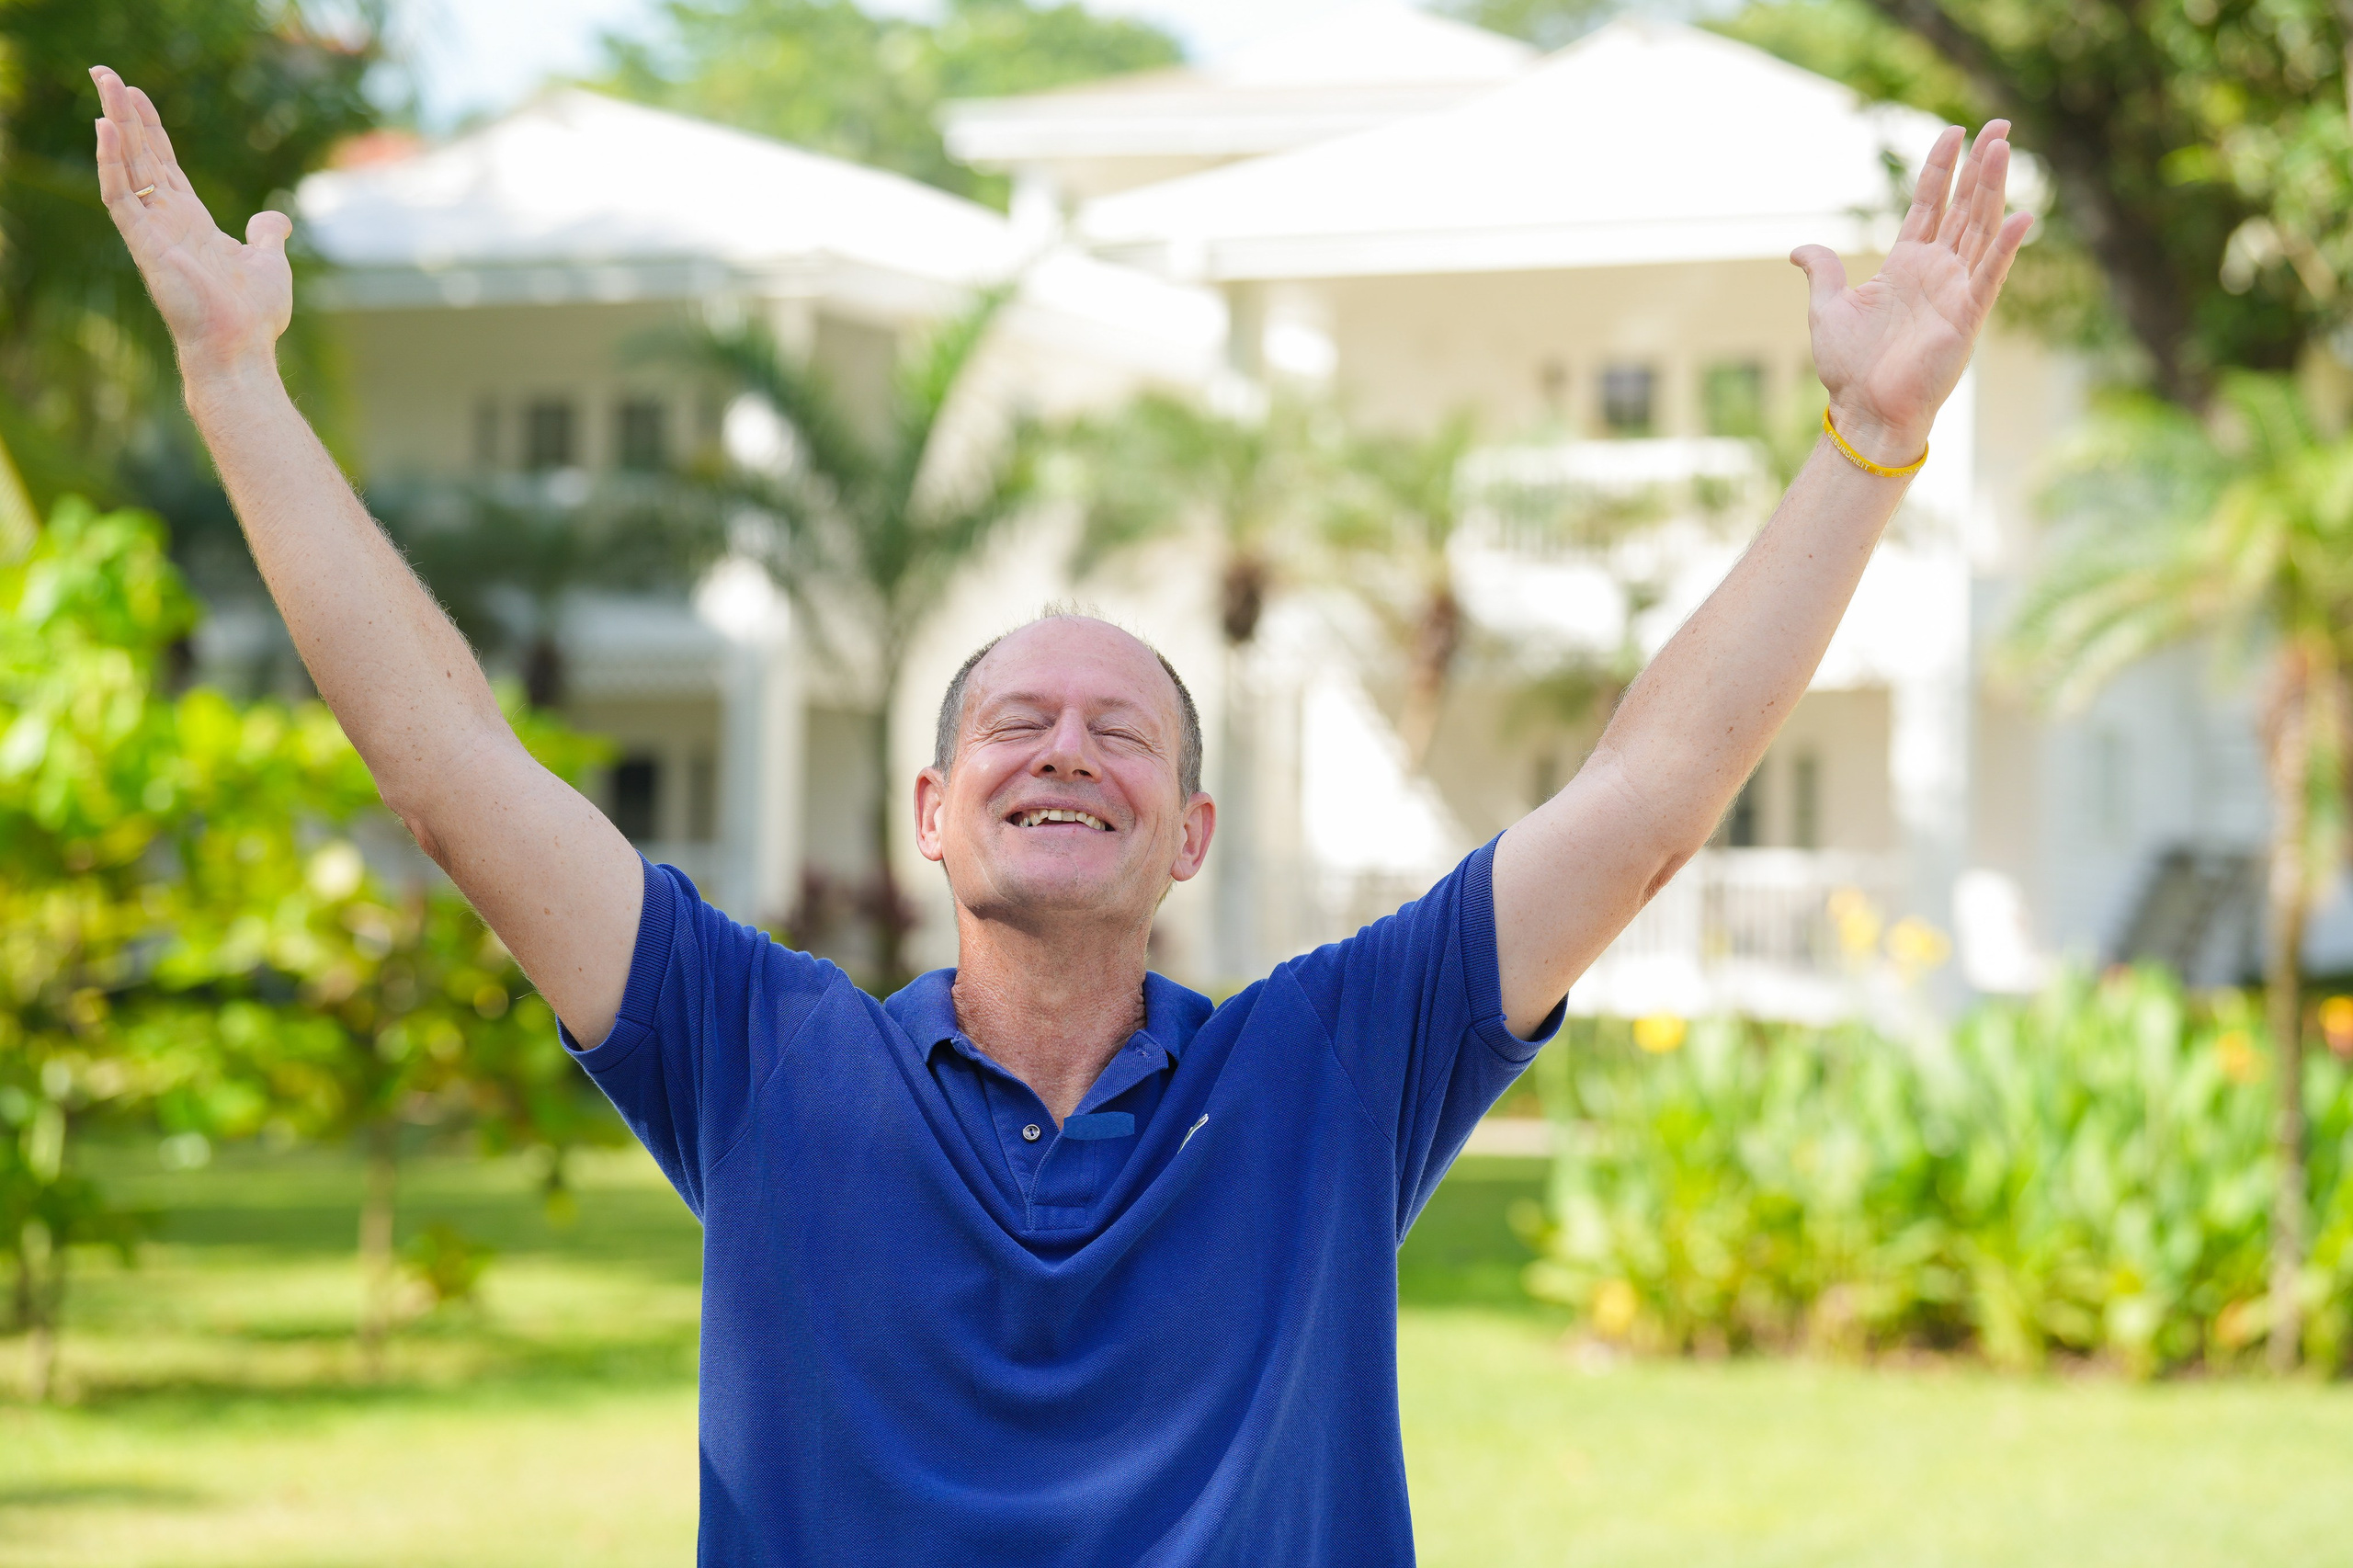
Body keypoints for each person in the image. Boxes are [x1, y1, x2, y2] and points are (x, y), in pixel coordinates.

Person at [90, 62, 2030, 1566]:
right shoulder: (755, 1055)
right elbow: (454, 774)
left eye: (1122, 731)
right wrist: (232, 375)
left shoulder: (1332, 1067)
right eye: (1015, 717)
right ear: (933, 809)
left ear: (1186, 835)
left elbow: (1647, 793)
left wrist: (1867, 442)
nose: (1064, 746)